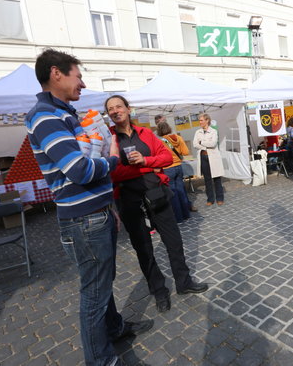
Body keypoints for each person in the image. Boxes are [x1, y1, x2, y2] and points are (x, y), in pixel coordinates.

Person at [25, 49, 152, 366]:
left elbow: (84, 165)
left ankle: (115, 328)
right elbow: (80, 170)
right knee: (94, 292)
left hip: (97, 214)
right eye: (78, 76)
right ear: (57, 73)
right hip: (84, 220)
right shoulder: (45, 117)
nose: (82, 84)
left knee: (101, 283)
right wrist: (111, 158)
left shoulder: (66, 114)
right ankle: (101, 360)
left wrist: (109, 208)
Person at [105, 95, 208, 313]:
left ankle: (184, 282)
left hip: (156, 194)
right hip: (128, 200)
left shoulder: (146, 133)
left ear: (128, 109)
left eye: (119, 106)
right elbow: (112, 172)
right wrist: (147, 168)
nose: (115, 111)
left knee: (174, 241)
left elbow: (166, 158)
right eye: (110, 109)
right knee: (144, 249)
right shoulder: (108, 139)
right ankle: (159, 291)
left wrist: (146, 161)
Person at [156, 121, 197, 222]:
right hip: (179, 166)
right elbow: (186, 152)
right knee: (181, 191)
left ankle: (178, 217)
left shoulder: (160, 141)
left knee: (173, 193)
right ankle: (186, 214)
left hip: (167, 168)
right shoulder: (178, 138)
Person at [193, 113, 225, 205]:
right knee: (207, 179)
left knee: (216, 178)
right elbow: (195, 144)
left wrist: (201, 142)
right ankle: (210, 199)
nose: (200, 122)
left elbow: (213, 143)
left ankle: (219, 198)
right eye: (199, 120)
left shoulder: (213, 131)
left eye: (201, 120)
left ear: (207, 120)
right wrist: (205, 145)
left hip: (213, 157)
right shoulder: (197, 132)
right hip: (203, 157)